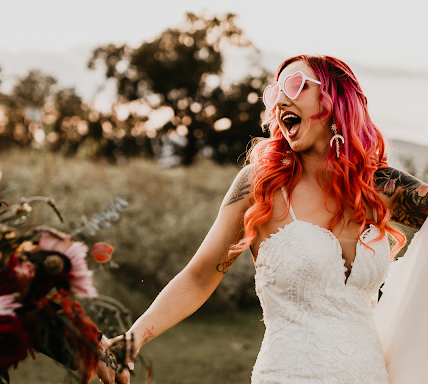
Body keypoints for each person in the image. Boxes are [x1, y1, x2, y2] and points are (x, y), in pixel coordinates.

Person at [103, 55, 428, 383]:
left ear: (335, 100)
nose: (281, 98)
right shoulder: (260, 185)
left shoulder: (379, 187)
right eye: (274, 93)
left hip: (369, 375)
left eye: (295, 85)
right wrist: (132, 340)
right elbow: (199, 278)